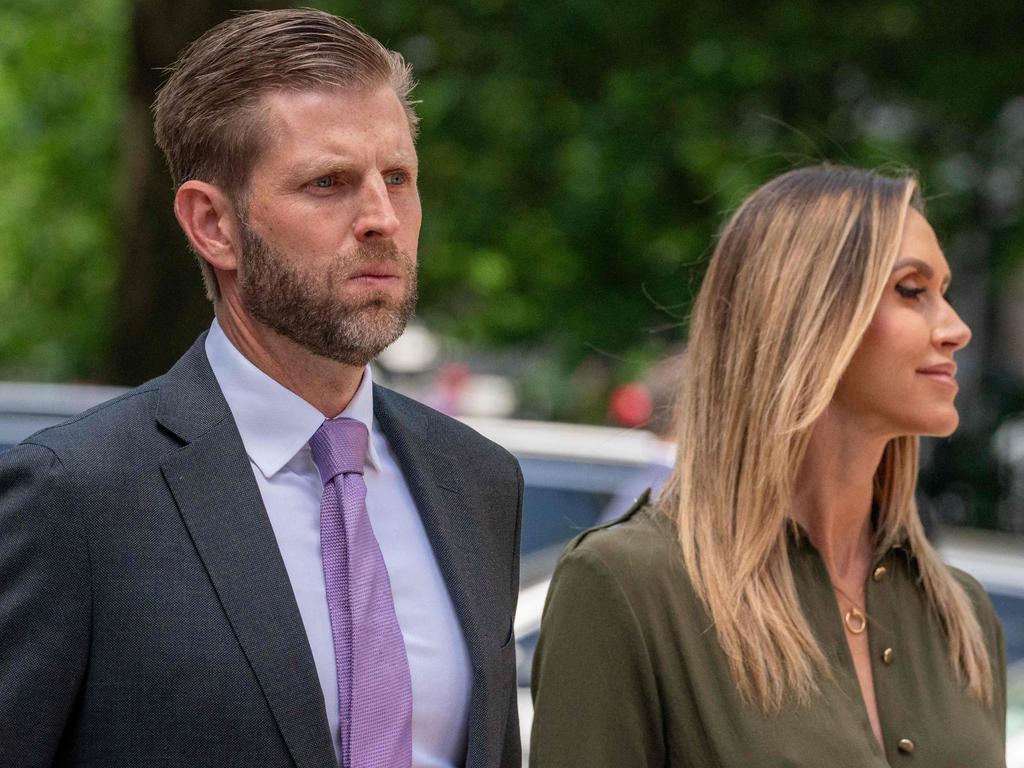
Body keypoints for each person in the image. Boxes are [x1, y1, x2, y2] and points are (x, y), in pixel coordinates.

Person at [0, 10, 523, 768]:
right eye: (329, 183)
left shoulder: (476, 480)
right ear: (212, 224)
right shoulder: (75, 497)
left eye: (399, 178)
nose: (382, 218)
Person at [530, 165, 1006, 767]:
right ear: (807, 316)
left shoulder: (961, 616)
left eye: (947, 291)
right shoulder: (629, 587)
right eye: (912, 290)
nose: (956, 328)